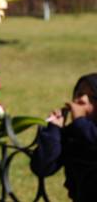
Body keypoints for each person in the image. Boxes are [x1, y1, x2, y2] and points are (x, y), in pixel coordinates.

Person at [30, 73, 97, 202]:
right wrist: (54, 131)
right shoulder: (74, 134)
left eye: (93, 97)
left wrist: (81, 121)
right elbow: (43, 167)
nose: (82, 100)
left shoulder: (82, 127)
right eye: (78, 94)